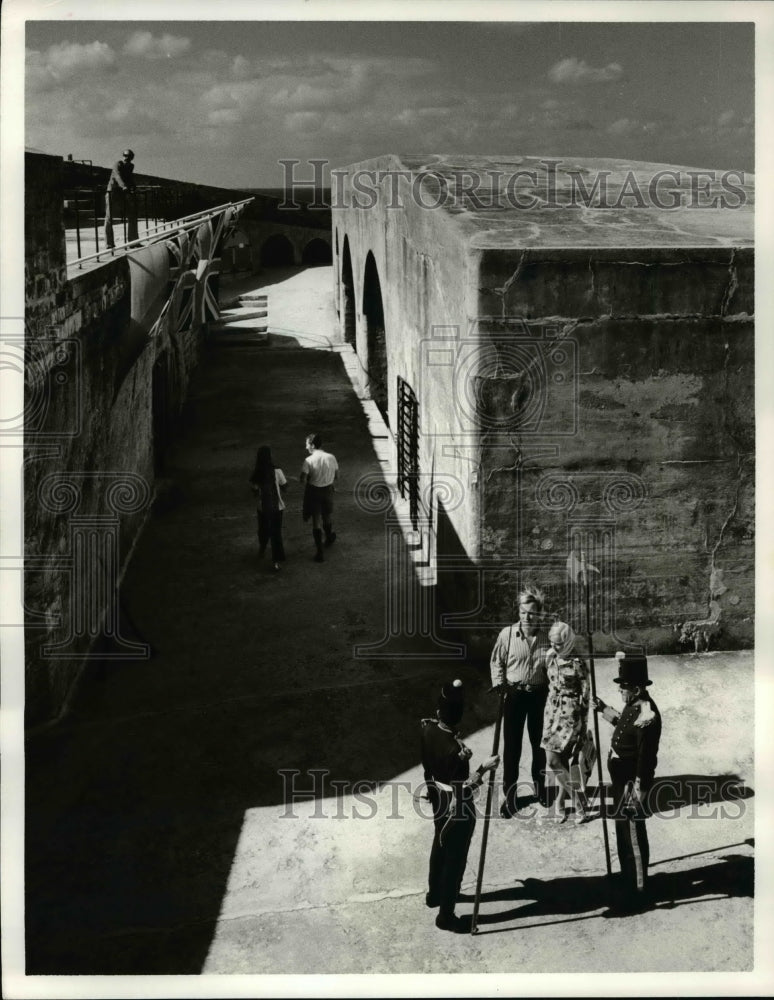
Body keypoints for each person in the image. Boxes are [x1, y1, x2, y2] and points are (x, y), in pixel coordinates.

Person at [420, 679, 499, 933]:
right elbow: (464, 788)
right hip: (457, 809)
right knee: (455, 860)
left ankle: (434, 895)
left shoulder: (427, 729)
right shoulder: (456, 752)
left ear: (439, 713)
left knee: (438, 845)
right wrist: (483, 768)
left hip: (436, 798)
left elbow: (429, 762)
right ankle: (446, 916)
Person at [593, 652, 662, 911]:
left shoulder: (648, 714)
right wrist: (601, 708)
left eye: (623, 688)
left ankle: (638, 890)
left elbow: (646, 761)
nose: (620, 692)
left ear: (635, 688)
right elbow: (621, 724)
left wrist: (640, 793)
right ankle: (627, 877)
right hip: (620, 782)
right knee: (623, 830)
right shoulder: (634, 705)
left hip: (631, 785)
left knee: (632, 835)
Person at [490, 585, 551, 817]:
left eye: (532, 612)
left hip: (539, 696)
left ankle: (540, 788)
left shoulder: (547, 638)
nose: (527, 616)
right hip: (514, 696)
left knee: (540, 745)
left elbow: (553, 668)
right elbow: (497, 662)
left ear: (540, 614)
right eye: (523, 611)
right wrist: (499, 686)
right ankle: (510, 796)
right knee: (512, 748)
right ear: (518, 611)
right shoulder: (507, 635)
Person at [540, 621, 591, 824]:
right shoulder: (550, 656)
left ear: (568, 642)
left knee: (554, 761)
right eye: (552, 643)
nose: (555, 647)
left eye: (559, 644)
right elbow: (549, 682)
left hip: (570, 716)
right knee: (558, 762)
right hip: (551, 713)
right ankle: (564, 802)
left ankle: (576, 803)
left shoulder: (579, 662)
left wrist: (584, 724)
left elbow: (586, 695)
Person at [300, 433, 338, 562]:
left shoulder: (308, 460)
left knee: (316, 521)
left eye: (307, 444)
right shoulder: (331, 457)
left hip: (314, 492)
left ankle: (319, 552)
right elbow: (337, 476)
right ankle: (328, 538)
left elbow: (303, 480)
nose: (306, 447)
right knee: (326, 515)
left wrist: (308, 478)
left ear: (312, 445)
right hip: (328, 490)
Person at [249, 445, 287, 571]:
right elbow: (285, 487)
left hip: (263, 508)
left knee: (263, 530)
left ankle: (262, 548)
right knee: (276, 533)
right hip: (277, 507)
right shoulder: (277, 471)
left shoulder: (256, 474)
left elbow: (254, 492)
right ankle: (276, 561)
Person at [104, 148, 138, 249]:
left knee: (132, 215)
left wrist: (134, 187)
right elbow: (117, 176)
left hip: (122, 193)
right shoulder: (118, 164)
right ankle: (109, 243)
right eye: (125, 156)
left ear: (132, 158)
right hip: (112, 192)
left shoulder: (131, 166)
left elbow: (130, 178)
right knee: (109, 218)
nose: (126, 158)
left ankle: (133, 241)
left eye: (129, 157)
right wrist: (124, 186)